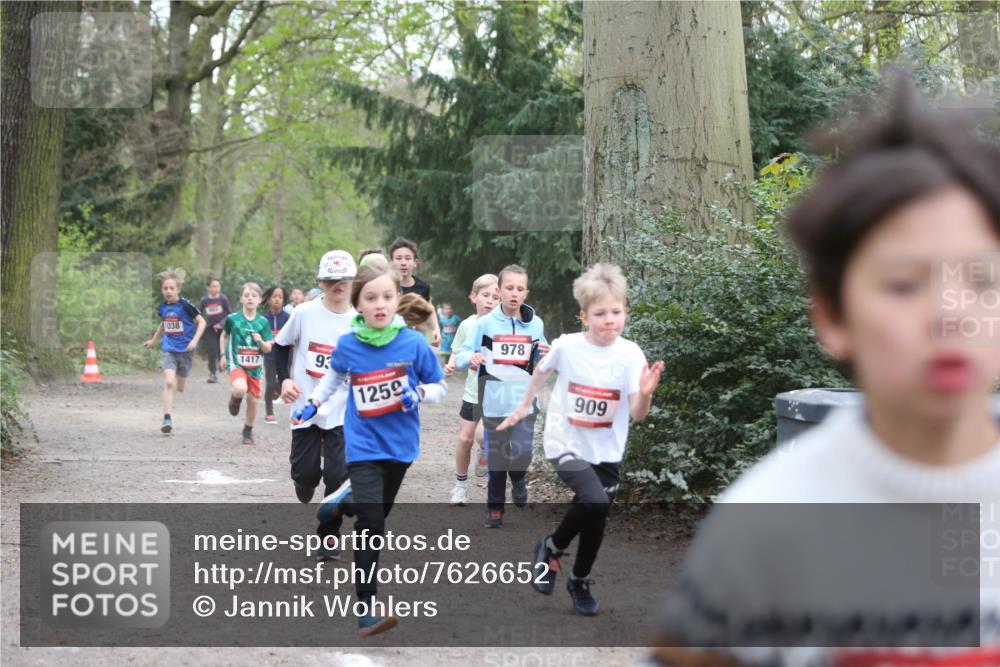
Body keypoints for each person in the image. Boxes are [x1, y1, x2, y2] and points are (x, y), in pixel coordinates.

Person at [648, 75, 1000, 666]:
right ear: (833, 315)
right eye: (904, 283)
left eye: (983, 281)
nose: (950, 315)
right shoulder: (765, 527)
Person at [498, 263, 664, 616]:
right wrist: (523, 407)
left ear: (625, 312)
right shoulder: (568, 347)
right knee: (593, 501)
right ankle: (552, 548)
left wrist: (646, 393)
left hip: (607, 450)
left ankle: (579, 579)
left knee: (597, 517)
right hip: (565, 441)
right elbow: (539, 373)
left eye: (616, 312)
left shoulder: (631, 354)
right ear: (584, 315)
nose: (609, 320)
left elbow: (637, 414)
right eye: (600, 313)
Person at [296, 263, 446, 638]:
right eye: (371, 298)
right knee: (372, 525)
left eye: (387, 297)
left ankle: (340, 502)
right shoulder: (349, 344)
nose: (380, 304)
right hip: (362, 444)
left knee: (375, 511)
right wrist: (313, 402)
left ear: (397, 300)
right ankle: (366, 606)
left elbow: (439, 386)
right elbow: (334, 376)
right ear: (358, 303)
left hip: (400, 448)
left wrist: (420, 394)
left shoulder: (412, 344)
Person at [274, 250, 358, 562]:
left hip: (342, 410)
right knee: (306, 473)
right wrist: (283, 380)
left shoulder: (360, 322)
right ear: (320, 282)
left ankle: (328, 538)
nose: (339, 285)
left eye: (345, 279)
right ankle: (303, 483)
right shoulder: (304, 314)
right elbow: (280, 348)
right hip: (305, 407)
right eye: (332, 279)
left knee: (337, 477)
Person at [454, 264, 550, 527]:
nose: (514, 293)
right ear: (500, 290)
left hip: (524, 403)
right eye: (509, 288)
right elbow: (462, 353)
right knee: (496, 457)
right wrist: (470, 357)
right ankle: (494, 508)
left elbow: (542, 355)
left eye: (520, 289)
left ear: (526, 293)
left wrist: (547, 351)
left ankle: (518, 479)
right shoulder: (485, 324)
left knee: (522, 454)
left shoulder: (536, 324)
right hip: (494, 402)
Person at [443, 274, 499, 504]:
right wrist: (451, 364)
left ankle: (485, 451)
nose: (490, 301)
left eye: (495, 297)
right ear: (473, 297)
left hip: (496, 393)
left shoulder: (504, 325)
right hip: (473, 392)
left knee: (481, 435)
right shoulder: (467, 325)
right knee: (464, 439)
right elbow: (458, 350)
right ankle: (460, 486)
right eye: (485, 296)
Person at [143, 267, 206, 433]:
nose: (168, 291)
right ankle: (167, 418)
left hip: (186, 350)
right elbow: (164, 323)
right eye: (165, 288)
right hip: (169, 348)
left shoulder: (186, 306)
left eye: (172, 288)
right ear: (162, 290)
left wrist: (194, 341)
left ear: (178, 289)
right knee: (169, 381)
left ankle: (179, 379)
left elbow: (202, 322)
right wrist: (154, 340)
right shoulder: (163, 307)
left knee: (181, 387)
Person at [219, 282, 273, 446]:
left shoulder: (263, 322)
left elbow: (268, 348)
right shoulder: (232, 319)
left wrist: (261, 341)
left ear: (259, 300)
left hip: (255, 368)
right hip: (237, 363)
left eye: (254, 296)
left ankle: (247, 430)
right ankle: (235, 399)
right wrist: (222, 355)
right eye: (247, 295)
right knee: (240, 388)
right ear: (241, 299)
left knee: (253, 401)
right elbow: (223, 336)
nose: (250, 298)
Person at [388, 237, 441, 346]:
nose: (403, 263)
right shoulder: (386, 286)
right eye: (398, 258)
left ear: (415, 262)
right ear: (392, 261)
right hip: (391, 340)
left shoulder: (423, 287)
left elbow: (429, 309)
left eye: (408, 258)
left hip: (415, 340)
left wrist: (435, 330)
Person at [261, 286, 290, 425]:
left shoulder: (289, 318)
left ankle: (277, 391)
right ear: (268, 299)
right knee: (270, 384)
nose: (277, 299)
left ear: (283, 300)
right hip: (270, 356)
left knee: (282, 382)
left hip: (286, 356)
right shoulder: (263, 319)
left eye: (280, 297)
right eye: (274, 296)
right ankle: (269, 412)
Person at [199, 276, 231, 383]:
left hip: (222, 329)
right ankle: (212, 373)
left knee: (221, 349)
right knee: (212, 351)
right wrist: (201, 323)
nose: (216, 289)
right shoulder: (205, 300)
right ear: (208, 288)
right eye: (213, 286)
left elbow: (229, 314)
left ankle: (222, 362)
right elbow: (198, 313)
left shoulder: (223, 299)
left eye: (218, 286)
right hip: (210, 329)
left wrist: (221, 324)